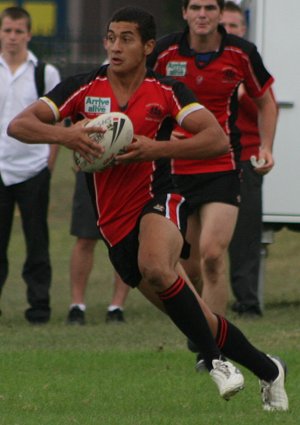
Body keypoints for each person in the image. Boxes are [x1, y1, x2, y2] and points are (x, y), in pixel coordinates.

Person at [8, 6, 288, 411]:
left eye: (126, 39)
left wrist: (158, 148)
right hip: (114, 223)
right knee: (198, 318)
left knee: (158, 266)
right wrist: (67, 136)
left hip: (160, 198)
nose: (115, 47)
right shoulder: (84, 88)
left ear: (148, 46)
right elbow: (19, 125)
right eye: (110, 38)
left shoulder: (167, 90)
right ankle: (270, 370)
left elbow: (215, 139)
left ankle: (214, 362)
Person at [147, 0, 278, 318]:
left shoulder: (242, 52)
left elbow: (266, 102)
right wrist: (163, 132)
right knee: (188, 269)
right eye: (195, 7)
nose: (202, 14)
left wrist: (266, 147)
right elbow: (141, 95)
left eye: (209, 7)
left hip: (223, 166)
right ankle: (203, 334)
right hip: (177, 169)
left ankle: (217, 344)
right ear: (184, 13)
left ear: (221, 13)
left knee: (212, 255)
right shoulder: (165, 51)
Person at [0, 7, 61, 324]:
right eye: (7, 30)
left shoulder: (45, 73)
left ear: (29, 34)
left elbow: (54, 122)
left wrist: (48, 165)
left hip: (33, 169)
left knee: (37, 241)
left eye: (18, 31)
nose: (12, 37)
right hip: (0, 168)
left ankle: (39, 307)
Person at [221, 1, 272, 317]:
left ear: (244, 30)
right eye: (223, 26)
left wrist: (242, 95)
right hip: (207, 160)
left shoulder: (249, 64)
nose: (228, 31)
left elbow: (269, 108)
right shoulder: (203, 64)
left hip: (246, 159)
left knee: (246, 237)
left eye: (235, 26)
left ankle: (247, 302)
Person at [67, 170, 130, 325]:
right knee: (85, 238)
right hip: (93, 167)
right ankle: (77, 306)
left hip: (129, 170)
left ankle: (117, 307)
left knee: (125, 238)